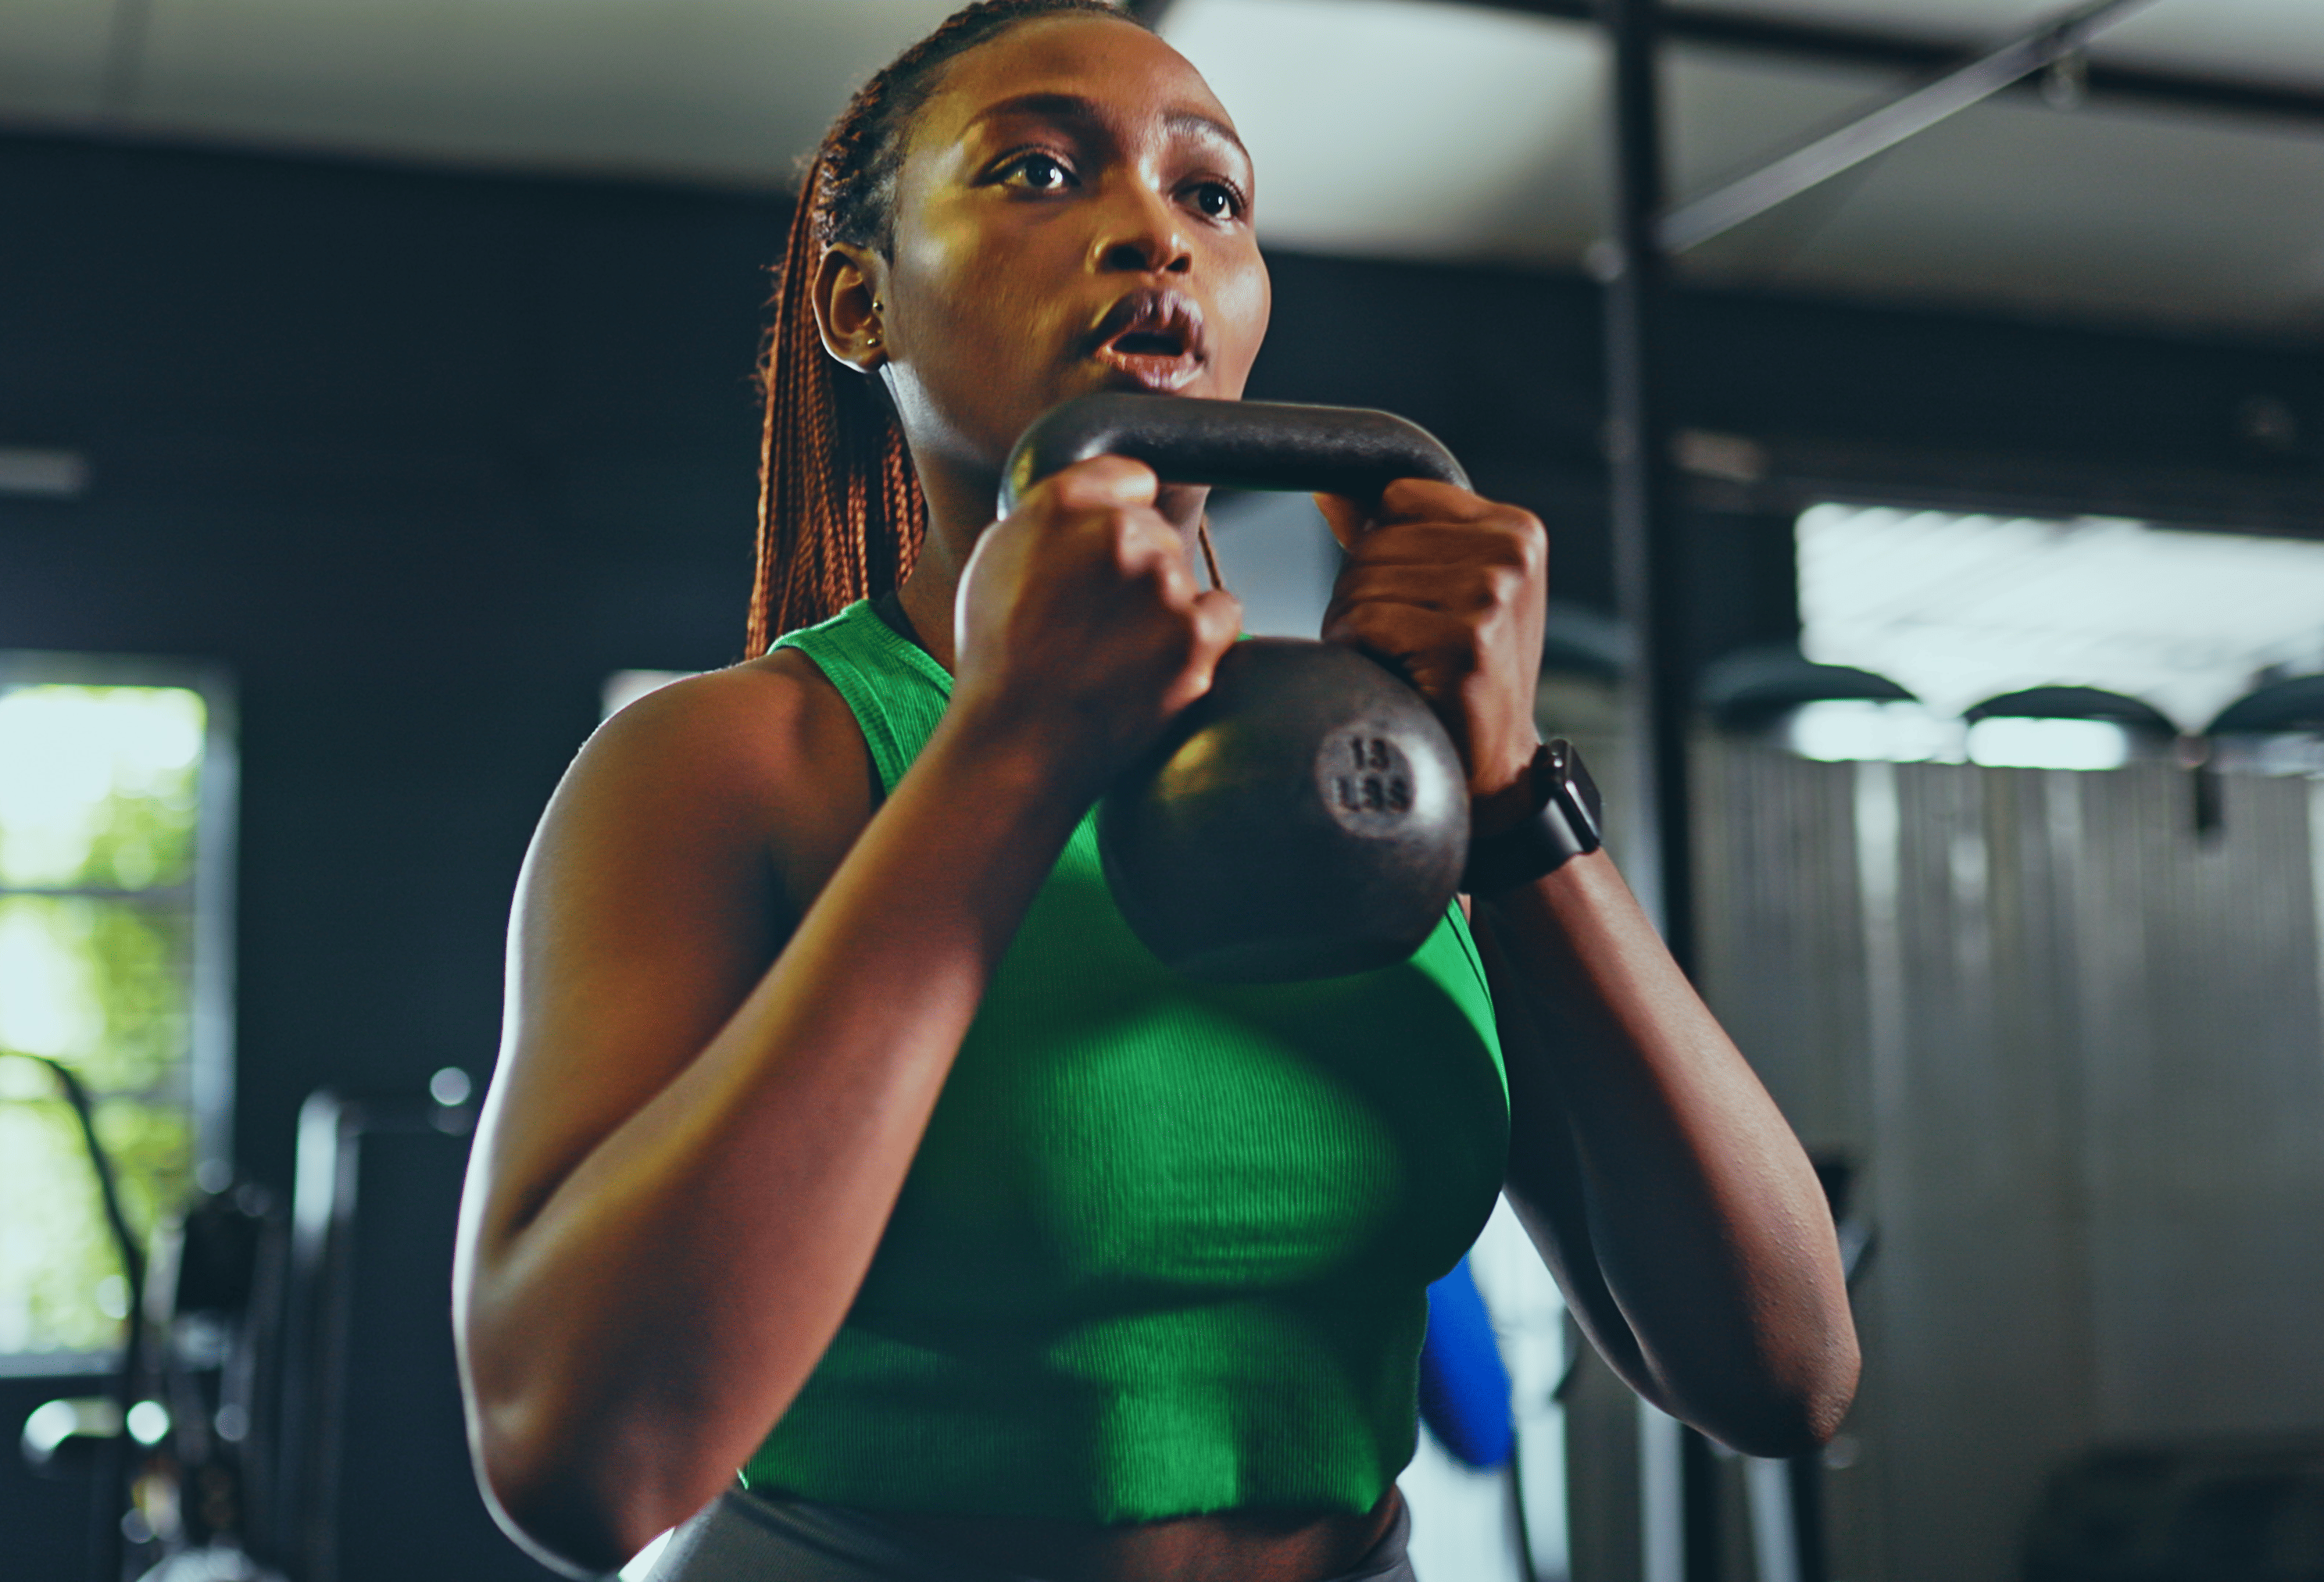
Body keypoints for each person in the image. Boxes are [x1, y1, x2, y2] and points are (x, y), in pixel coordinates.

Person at [451, 4, 1858, 1579]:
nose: (1151, 234)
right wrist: (1008, 749)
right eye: (1040, 172)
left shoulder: (1382, 779)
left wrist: (1515, 786)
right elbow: (578, 1458)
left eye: (1212, 198)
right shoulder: (739, 761)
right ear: (863, 301)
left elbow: (1784, 1369)